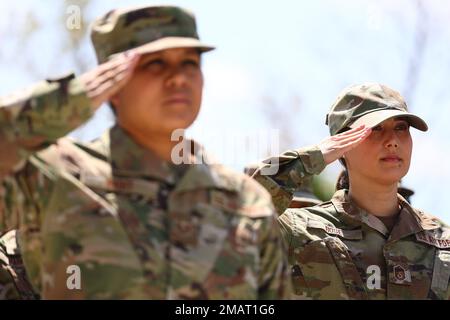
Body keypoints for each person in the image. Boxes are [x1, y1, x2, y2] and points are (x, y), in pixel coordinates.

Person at [0, 5, 289, 299]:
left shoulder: (245, 201)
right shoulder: (54, 175)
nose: (178, 78)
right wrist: (67, 99)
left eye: (189, 63)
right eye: (155, 64)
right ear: (113, 80)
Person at [251, 83, 450, 299]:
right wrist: (313, 157)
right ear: (342, 144)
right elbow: (240, 214)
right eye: (376, 128)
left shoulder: (442, 240)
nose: (392, 141)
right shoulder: (299, 231)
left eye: (401, 128)